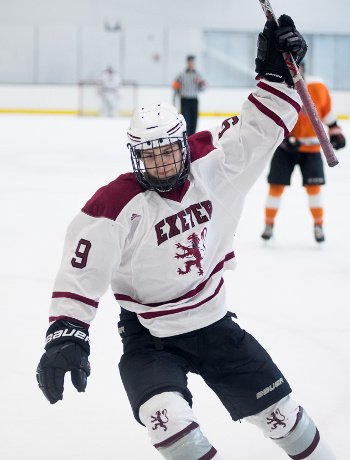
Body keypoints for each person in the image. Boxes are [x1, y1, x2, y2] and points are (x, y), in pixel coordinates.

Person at [36, 16, 337, 459]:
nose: (160, 166)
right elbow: (82, 265)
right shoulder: (116, 204)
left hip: (214, 325)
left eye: (167, 154)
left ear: (183, 144)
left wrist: (275, 76)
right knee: (171, 428)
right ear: (134, 156)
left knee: (286, 419)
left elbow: (257, 132)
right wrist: (66, 329)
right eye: (149, 157)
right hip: (148, 335)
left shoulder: (215, 165)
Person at [261, 62, 346, 243]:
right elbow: (269, 120)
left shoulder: (317, 87)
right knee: (275, 186)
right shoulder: (277, 89)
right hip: (284, 149)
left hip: (311, 149)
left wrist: (336, 131)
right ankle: (268, 224)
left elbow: (328, 115)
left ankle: (318, 225)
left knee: (314, 188)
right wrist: (284, 139)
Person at [172, 55, 206, 136]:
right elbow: (175, 86)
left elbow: (202, 88)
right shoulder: (181, 75)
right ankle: (185, 138)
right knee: (186, 120)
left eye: (193, 62)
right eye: (190, 62)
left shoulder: (198, 75)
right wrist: (174, 98)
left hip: (194, 100)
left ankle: (192, 138)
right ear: (187, 63)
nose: (191, 64)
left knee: (194, 121)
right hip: (185, 99)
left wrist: (200, 83)